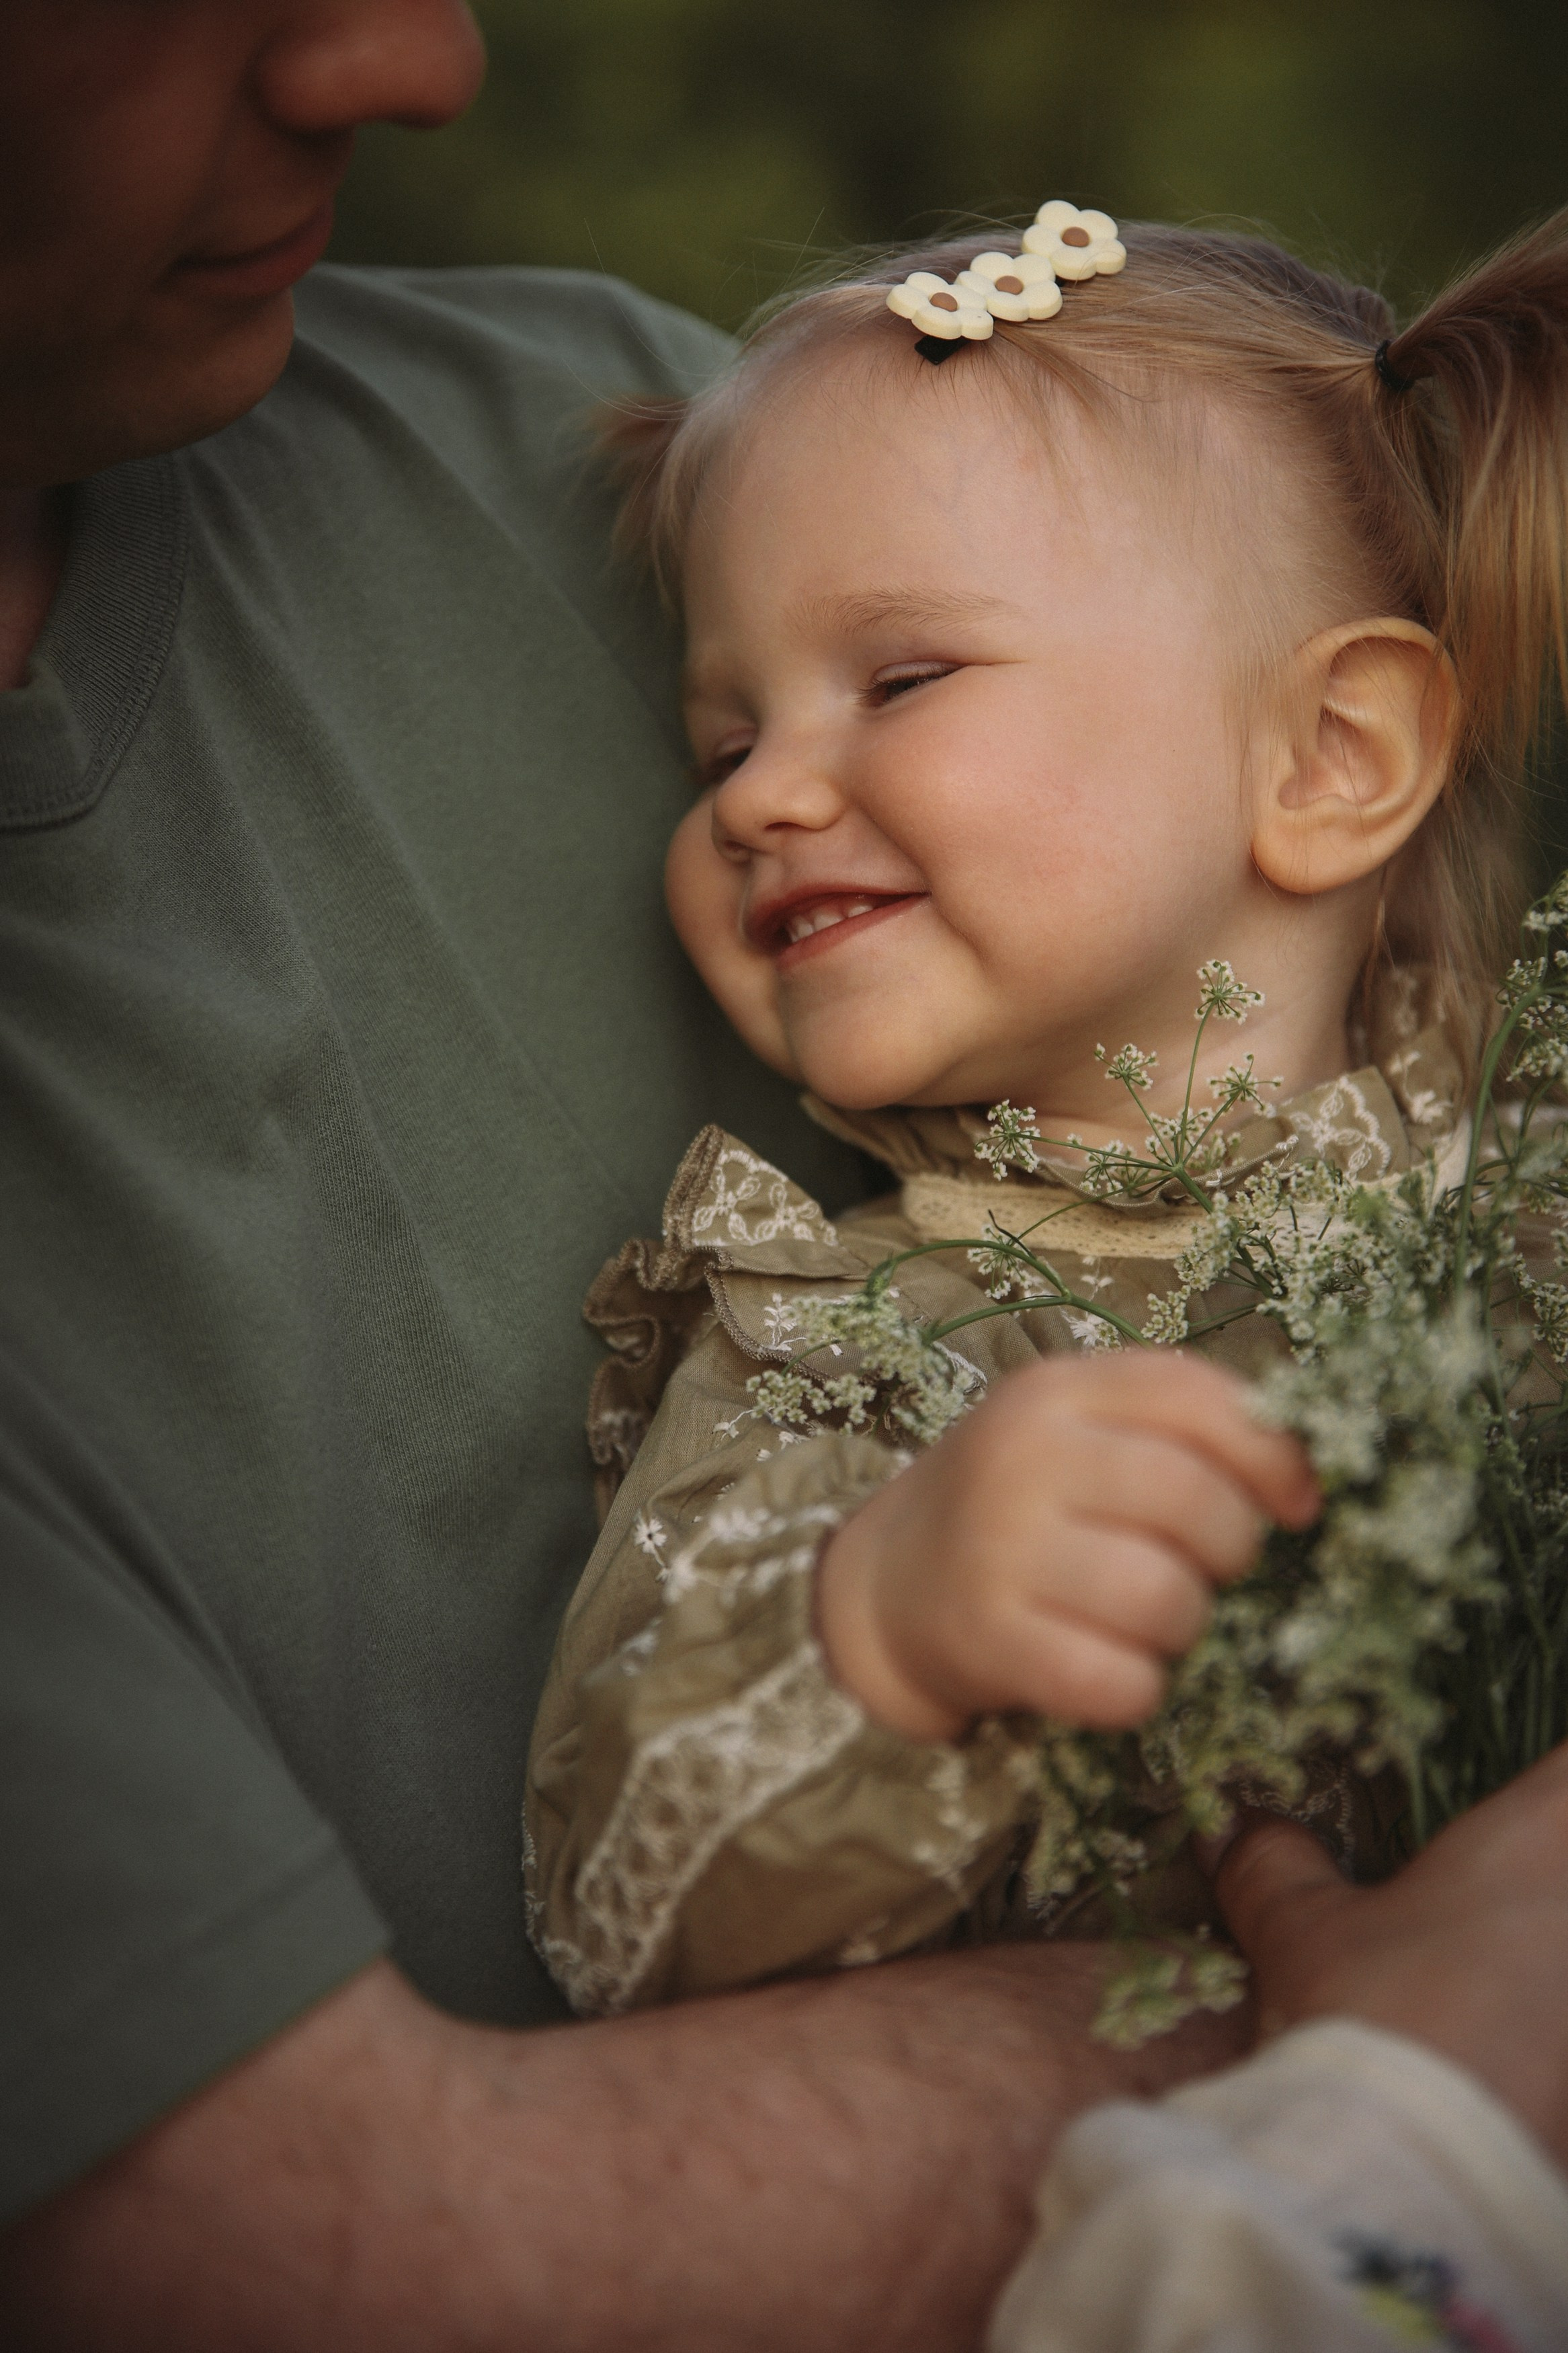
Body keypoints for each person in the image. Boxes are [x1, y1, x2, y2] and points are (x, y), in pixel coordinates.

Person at [0, 8, 1566, 2348]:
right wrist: (886, 1636)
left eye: (898, 687)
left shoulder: (1513, 1193)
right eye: (725, 728)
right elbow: (623, 1900)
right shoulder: (843, 1358)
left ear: (1334, 755)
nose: (755, 790)